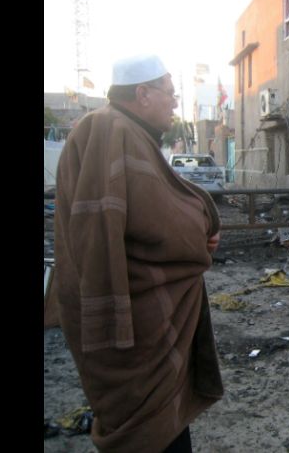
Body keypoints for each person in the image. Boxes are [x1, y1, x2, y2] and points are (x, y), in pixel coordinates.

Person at [52, 54, 223, 453]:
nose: (175, 102)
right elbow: (148, 218)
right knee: (151, 434)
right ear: (142, 93)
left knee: (166, 427)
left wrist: (201, 228)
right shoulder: (110, 129)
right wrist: (199, 229)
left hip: (152, 325)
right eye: (170, 92)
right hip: (135, 328)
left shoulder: (126, 132)